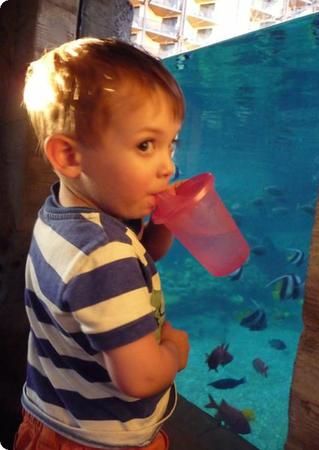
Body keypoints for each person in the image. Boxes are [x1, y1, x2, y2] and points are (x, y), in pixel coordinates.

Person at [14, 37, 190, 450]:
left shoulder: (64, 218)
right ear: (70, 156)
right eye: (146, 145)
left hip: (52, 410)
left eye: (171, 143)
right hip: (98, 437)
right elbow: (139, 378)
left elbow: (135, 256)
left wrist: (163, 226)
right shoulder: (103, 254)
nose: (168, 165)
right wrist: (175, 351)